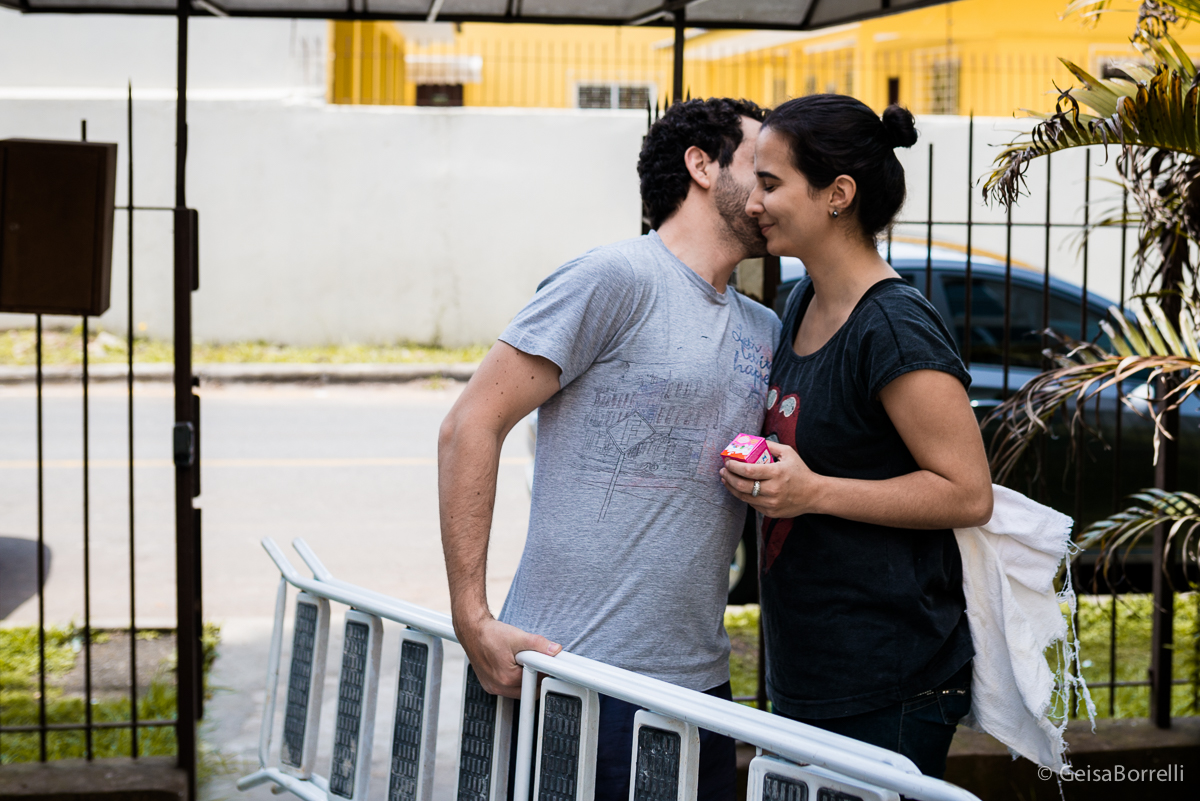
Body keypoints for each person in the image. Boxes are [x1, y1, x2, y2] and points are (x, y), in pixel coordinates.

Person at [439, 98, 781, 801]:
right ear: (700, 165)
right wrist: (471, 616)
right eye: (759, 164)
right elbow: (470, 424)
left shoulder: (766, 326)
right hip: (574, 673)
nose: (776, 185)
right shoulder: (614, 278)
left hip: (698, 688)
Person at [720, 95, 993, 779]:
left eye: (771, 182)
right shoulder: (802, 301)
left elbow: (967, 492)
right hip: (811, 668)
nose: (752, 201)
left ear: (838, 194)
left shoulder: (893, 324)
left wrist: (813, 491)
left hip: (888, 680)